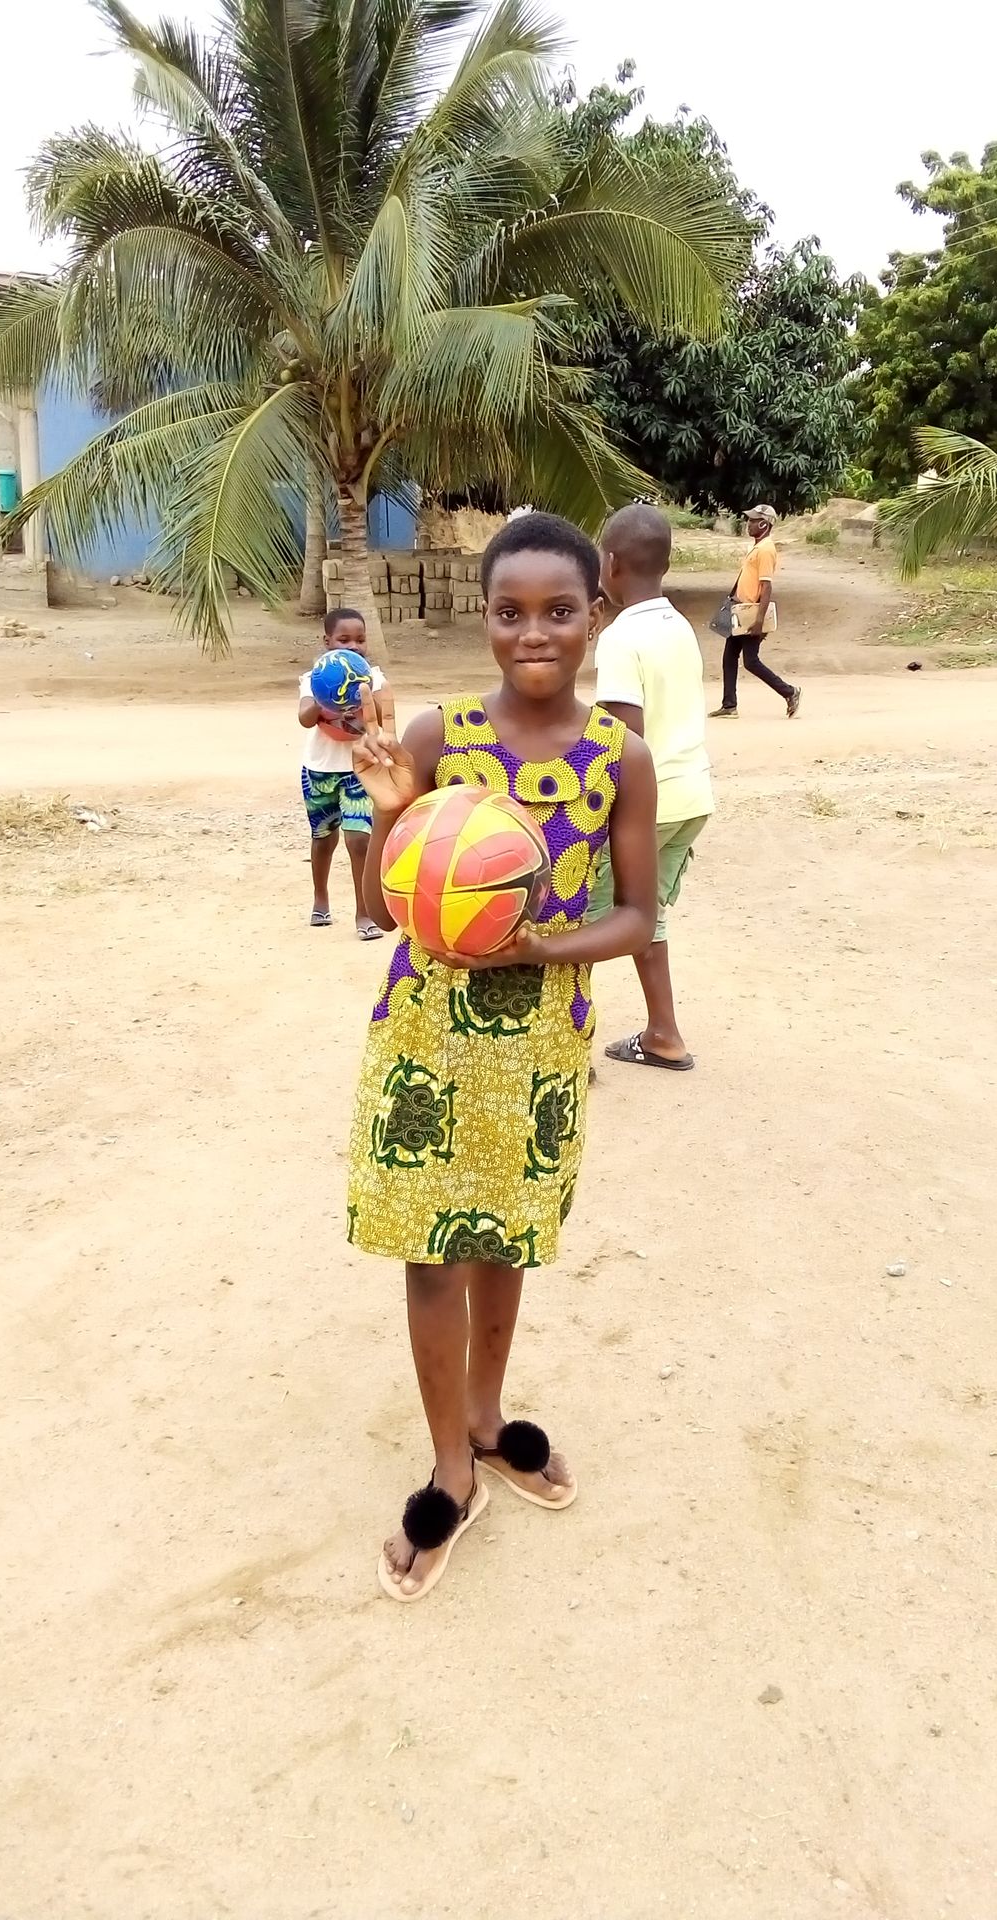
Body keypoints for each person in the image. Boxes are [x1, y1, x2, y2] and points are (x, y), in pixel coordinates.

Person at [346, 511, 658, 1601]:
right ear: (483, 618)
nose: (535, 632)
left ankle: (486, 1418)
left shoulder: (620, 757)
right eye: (510, 611)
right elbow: (384, 908)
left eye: (559, 611)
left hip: (539, 1049)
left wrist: (540, 949)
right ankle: (451, 1468)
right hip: (427, 1042)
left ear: (595, 616)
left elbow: (637, 916)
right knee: (432, 1255)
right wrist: (392, 813)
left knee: (505, 1243)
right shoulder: (441, 737)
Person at [587, 502, 714, 1072]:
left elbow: (623, 738)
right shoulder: (679, 626)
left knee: (579, 921)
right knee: (647, 913)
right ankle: (663, 1034)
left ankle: (565, 1049)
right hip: (691, 797)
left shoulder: (621, 637)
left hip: (646, 804)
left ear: (611, 563)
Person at [297, 607, 385, 937]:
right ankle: (321, 899)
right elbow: (305, 718)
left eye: (360, 640)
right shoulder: (315, 677)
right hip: (320, 769)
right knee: (323, 838)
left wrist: (362, 697)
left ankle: (364, 913)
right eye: (344, 640)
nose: (353, 646)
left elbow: (381, 713)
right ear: (327, 641)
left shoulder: (373, 678)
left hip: (360, 770)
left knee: (359, 840)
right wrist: (326, 699)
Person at [710, 505, 801, 719]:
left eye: (753, 520)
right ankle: (729, 705)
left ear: (764, 524)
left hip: (750, 613)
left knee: (751, 661)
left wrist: (759, 621)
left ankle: (789, 692)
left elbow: (766, 586)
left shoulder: (766, 550)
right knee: (730, 657)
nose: (748, 524)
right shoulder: (758, 547)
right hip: (741, 611)